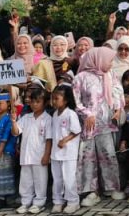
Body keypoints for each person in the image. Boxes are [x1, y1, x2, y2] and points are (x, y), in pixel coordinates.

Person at [73, 46, 125, 206]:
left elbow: (118, 92)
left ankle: (111, 187)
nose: (111, 63)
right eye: (109, 60)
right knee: (88, 157)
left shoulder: (110, 75)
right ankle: (91, 191)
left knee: (108, 154)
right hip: (88, 125)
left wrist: (117, 108)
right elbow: (76, 101)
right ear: (98, 60)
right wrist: (87, 114)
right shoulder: (80, 78)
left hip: (106, 124)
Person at [13, 86, 52, 215]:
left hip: (40, 156)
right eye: (32, 101)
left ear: (45, 103)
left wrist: (46, 155)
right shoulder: (26, 117)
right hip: (26, 155)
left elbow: (49, 139)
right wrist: (13, 121)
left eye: (38, 102)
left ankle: (39, 202)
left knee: (40, 180)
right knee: (26, 180)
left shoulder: (48, 119)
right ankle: (25, 202)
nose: (34, 104)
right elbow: (16, 132)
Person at [50, 85, 81, 214]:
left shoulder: (71, 114)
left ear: (66, 100)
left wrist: (65, 140)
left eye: (56, 98)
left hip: (68, 153)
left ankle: (73, 201)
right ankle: (58, 201)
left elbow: (77, 131)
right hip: (55, 153)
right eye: (53, 98)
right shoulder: (55, 114)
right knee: (57, 179)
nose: (54, 101)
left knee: (69, 178)